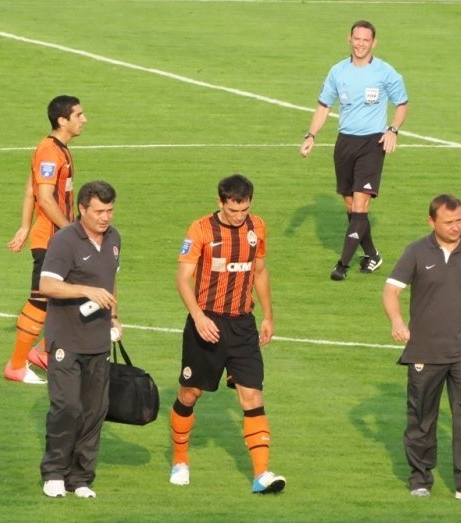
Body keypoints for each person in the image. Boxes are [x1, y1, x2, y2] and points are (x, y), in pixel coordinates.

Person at [382, 194, 461, 502]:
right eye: (449, 222)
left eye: (460, 220)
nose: (456, 227)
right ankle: (420, 478)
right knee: (422, 417)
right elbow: (391, 290)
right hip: (425, 351)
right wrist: (397, 321)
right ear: (432, 221)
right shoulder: (416, 251)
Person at [169, 174, 285, 494]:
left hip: (243, 326)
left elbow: (259, 271)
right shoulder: (201, 230)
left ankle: (261, 475)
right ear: (220, 202)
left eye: (244, 210)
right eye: (233, 210)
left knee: (252, 396)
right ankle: (180, 459)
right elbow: (182, 278)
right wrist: (198, 317)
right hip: (207, 324)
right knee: (190, 394)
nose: (239, 216)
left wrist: (268, 316)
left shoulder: (257, 227)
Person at [300, 19, 408, 281]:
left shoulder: (385, 72)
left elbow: (402, 104)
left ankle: (342, 265)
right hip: (345, 142)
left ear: (374, 43)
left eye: (365, 40)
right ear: (349, 39)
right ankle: (372, 254)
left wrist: (392, 129)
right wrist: (311, 135)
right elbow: (324, 105)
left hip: (372, 143)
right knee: (351, 206)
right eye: (356, 39)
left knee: (360, 203)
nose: (360, 44)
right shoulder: (337, 71)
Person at [38, 180, 122, 499]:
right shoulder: (64, 241)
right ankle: (54, 473)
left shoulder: (114, 239)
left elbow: (111, 282)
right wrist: (85, 290)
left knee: (94, 411)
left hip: (98, 341)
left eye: (109, 210)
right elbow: (47, 285)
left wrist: (114, 317)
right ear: (82, 209)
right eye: (99, 211)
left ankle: (81, 478)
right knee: (67, 407)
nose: (105, 217)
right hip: (66, 340)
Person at [5, 95, 87, 384]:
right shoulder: (51, 151)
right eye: (78, 115)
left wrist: (24, 226)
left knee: (73, 298)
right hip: (53, 240)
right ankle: (16, 365)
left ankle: (41, 353)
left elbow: (31, 190)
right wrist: (73, 231)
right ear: (62, 120)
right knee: (41, 301)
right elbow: (45, 198)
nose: (84, 119)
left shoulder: (55, 149)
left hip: (55, 238)